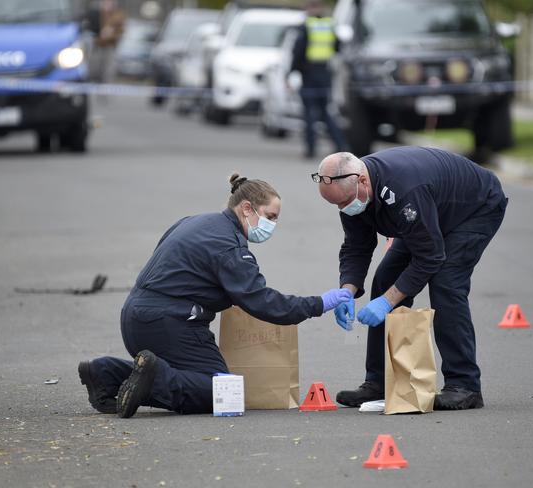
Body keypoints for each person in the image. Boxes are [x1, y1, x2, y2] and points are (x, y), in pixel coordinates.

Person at [79, 174, 352, 417]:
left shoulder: (193, 222)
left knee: (193, 379)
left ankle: (106, 373)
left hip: (135, 317)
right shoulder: (228, 246)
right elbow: (262, 302)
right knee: (220, 392)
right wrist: (320, 303)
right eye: (270, 216)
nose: (273, 225)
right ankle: (152, 377)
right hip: (170, 323)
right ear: (247, 208)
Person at [311, 147, 508, 410]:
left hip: (474, 209)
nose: (343, 208)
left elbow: (429, 257)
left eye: (344, 202)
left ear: (362, 180)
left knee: (446, 284)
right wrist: (347, 290)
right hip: (430, 212)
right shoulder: (352, 192)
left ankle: (465, 385)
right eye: (336, 205)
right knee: (386, 279)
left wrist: (386, 302)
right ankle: (379, 381)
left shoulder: (404, 190)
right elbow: (357, 246)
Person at [289, 0, 348, 159]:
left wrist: (291, 72)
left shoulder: (306, 26)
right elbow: (338, 47)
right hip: (325, 73)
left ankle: (311, 148)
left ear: (310, 8)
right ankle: (340, 144)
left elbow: (298, 52)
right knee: (325, 112)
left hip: (309, 74)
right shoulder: (329, 25)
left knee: (309, 113)